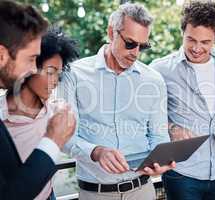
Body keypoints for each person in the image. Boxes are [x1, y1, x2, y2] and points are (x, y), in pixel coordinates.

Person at [58, 3, 175, 200]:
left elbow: (159, 136)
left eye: (142, 46)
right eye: (130, 43)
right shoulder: (74, 74)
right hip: (96, 193)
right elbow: (63, 137)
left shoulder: (153, 80)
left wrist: (160, 162)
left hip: (143, 191)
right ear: (111, 33)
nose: (136, 53)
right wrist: (96, 152)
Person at [150, 1, 215, 200]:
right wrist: (171, 128)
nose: (197, 48)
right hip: (182, 174)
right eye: (191, 40)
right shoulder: (160, 69)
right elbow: (144, 116)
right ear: (182, 33)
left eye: (205, 42)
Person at [0, 1, 76, 199]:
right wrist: (53, 139)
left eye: (57, 74)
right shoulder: (2, 115)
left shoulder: (55, 111)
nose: (32, 69)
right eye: (31, 59)